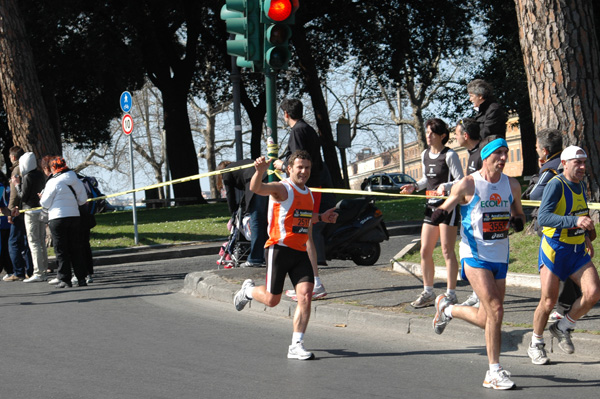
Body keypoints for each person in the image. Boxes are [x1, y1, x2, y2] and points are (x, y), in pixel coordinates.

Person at [432, 136, 525, 390]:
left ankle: (447, 309)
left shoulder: (512, 185)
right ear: (486, 156)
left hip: (500, 257)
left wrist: (517, 220)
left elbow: (518, 212)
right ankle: (493, 372)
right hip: (474, 256)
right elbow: (448, 205)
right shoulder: (468, 183)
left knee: (488, 318)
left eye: (506, 153)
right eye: (499, 154)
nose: (504, 158)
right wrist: (438, 212)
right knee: (496, 309)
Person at [233, 150, 338, 360]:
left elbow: (304, 218)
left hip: (299, 252)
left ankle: (296, 344)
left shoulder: (308, 193)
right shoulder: (283, 188)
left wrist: (322, 217)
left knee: (306, 295)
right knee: (272, 300)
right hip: (278, 249)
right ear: (289, 169)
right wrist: (260, 171)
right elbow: (257, 188)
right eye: (299, 167)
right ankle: (248, 291)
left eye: (307, 167)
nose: (304, 171)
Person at [526, 145, 600, 365]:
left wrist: (586, 235)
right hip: (555, 249)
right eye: (577, 163)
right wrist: (574, 222)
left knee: (594, 293)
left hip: (577, 250)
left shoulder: (581, 184)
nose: (582, 167)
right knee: (548, 302)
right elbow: (544, 218)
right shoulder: (555, 185)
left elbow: (579, 210)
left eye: (584, 163)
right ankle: (536, 343)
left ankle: (562, 327)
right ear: (565, 164)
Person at [400, 118, 464, 308]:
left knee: (446, 250)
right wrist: (414, 186)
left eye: (432, 133)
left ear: (442, 136)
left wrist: (446, 186)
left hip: (447, 206)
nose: (428, 136)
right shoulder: (425, 154)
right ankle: (428, 291)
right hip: (430, 206)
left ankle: (451, 294)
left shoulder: (450, 155)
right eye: (427, 132)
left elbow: (461, 181)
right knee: (425, 250)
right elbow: (425, 180)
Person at [522, 128, 580, 322]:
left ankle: (565, 307)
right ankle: (577, 298)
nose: (536, 149)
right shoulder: (561, 164)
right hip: (571, 217)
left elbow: (535, 194)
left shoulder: (550, 168)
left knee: (558, 263)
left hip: (554, 223)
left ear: (545, 150)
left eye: (537, 147)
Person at [273, 98, 328, 300]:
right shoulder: (308, 129)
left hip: (306, 189)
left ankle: (314, 283)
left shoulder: (297, 131)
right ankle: (311, 282)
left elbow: (298, 159)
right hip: (314, 187)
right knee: (306, 233)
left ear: (286, 114)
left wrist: (281, 165)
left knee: (305, 234)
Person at [39, 156, 88, 288]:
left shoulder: (53, 182)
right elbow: (83, 199)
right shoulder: (75, 180)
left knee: (61, 249)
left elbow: (45, 203)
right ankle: (81, 278)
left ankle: (64, 279)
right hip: (74, 216)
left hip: (57, 217)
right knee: (76, 248)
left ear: (53, 168)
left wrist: (42, 197)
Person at [454, 118, 483, 307]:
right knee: (470, 252)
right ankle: (477, 293)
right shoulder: (472, 153)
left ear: (465, 135)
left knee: (476, 254)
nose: (455, 137)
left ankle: (481, 296)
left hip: (481, 215)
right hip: (470, 214)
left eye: (456, 134)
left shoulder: (481, 154)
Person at [219, 159, 268, 267]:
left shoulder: (227, 172)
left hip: (257, 183)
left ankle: (255, 258)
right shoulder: (242, 165)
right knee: (267, 220)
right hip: (268, 178)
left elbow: (230, 195)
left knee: (257, 221)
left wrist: (233, 215)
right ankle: (267, 255)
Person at [16, 152, 49, 282]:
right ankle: (44, 269)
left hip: (30, 211)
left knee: (34, 242)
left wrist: (17, 185)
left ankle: (38, 272)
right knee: (41, 241)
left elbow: (22, 196)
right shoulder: (40, 175)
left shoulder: (27, 177)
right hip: (41, 209)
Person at [5, 146, 34, 281]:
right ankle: (30, 270)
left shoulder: (16, 170)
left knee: (14, 242)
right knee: (27, 240)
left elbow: (14, 193)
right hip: (28, 208)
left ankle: (18, 272)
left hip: (18, 210)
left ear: (13, 157)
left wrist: (10, 210)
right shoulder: (29, 170)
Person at [0, 171, 14, 280]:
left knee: (4, 248)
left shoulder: (2, 187)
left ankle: (10, 270)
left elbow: (3, 206)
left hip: (3, 221)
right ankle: (9, 269)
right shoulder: (5, 186)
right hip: (5, 220)